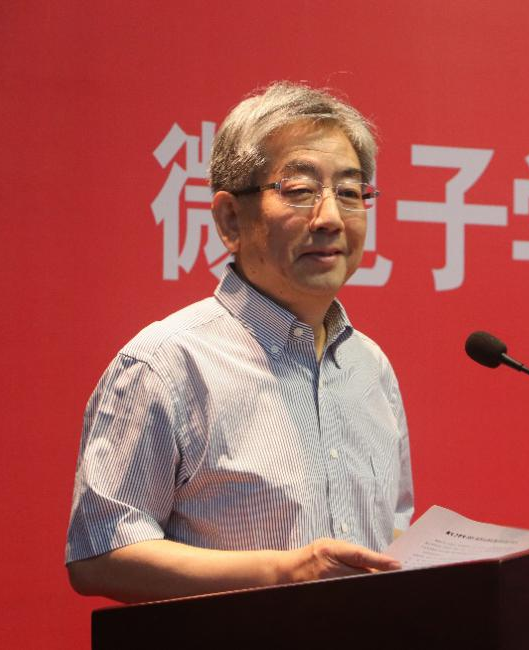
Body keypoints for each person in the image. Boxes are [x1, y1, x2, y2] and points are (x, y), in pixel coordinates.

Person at [66, 81, 413, 603]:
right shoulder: (168, 362)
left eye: (349, 192)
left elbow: (394, 526)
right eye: (299, 190)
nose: (330, 218)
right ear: (231, 218)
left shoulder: (371, 367)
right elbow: (99, 555)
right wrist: (281, 572)